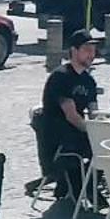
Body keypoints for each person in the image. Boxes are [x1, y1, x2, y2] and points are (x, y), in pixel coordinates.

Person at [30, 29, 99, 208]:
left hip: (75, 131)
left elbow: (94, 112)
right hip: (57, 133)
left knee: (108, 144)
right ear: (74, 51)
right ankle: (83, 189)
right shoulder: (61, 77)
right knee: (96, 145)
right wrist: (92, 132)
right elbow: (72, 116)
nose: (91, 54)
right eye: (86, 50)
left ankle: (88, 188)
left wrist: (101, 127)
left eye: (93, 50)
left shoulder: (89, 81)